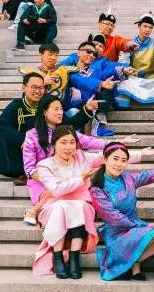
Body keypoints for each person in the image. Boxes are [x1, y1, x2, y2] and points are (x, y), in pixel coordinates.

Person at [33, 127, 154, 278]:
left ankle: (74, 258)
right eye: (63, 142)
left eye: (72, 142)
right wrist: (82, 178)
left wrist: (141, 154)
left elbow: (109, 157)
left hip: (81, 205)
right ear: (54, 144)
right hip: (55, 206)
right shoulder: (45, 165)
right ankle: (58, 257)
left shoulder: (82, 157)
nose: (68, 147)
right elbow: (57, 190)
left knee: (80, 206)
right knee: (61, 207)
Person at [22, 94, 127, 225]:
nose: (60, 112)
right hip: (42, 181)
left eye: (61, 109)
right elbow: (29, 169)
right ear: (44, 112)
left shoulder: (66, 131)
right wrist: (51, 179)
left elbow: (91, 142)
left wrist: (119, 143)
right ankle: (35, 210)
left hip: (68, 176)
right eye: (56, 109)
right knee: (54, 190)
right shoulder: (32, 135)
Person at [91, 144, 154, 281]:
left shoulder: (127, 178)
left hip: (135, 227)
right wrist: (139, 225)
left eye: (123, 160)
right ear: (105, 159)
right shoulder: (97, 189)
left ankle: (135, 261)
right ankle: (133, 265)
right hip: (117, 234)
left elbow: (149, 175)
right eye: (115, 159)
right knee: (152, 234)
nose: (119, 164)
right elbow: (113, 216)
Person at [0, 73, 96, 184]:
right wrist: (22, 140)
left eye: (41, 88)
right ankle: (21, 172)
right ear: (24, 87)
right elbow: (2, 126)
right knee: (4, 139)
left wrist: (87, 109)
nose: (38, 91)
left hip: (44, 144)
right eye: (34, 87)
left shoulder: (47, 106)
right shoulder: (15, 106)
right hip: (22, 146)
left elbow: (71, 124)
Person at [116, 12, 154, 108]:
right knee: (123, 82)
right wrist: (129, 70)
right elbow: (123, 62)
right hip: (135, 79)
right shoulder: (130, 44)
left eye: (150, 27)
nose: (147, 30)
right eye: (145, 26)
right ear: (139, 26)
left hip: (152, 79)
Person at [18, 43, 83, 111]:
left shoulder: (64, 70)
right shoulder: (32, 73)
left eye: (56, 55)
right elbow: (26, 95)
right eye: (50, 54)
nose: (53, 58)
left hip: (61, 111)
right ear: (41, 55)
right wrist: (42, 83)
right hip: (37, 111)